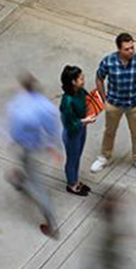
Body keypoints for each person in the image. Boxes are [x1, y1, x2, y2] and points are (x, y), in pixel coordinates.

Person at [5, 74, 62, 237]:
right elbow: (53, 130)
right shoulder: (45, 106)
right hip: (40, 148)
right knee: (33, 176)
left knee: (38, 187)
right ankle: (20, 181)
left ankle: (51, 223)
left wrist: (10, 141)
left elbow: (13, 132)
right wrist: (53, 148)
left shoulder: (18, 107)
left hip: (28, 149)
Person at [91, 32, 136, 178]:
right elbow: (99, 78)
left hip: (134, 104)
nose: (131, 51)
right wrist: (104, 98)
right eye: (127, 49)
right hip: (114, 103)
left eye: (132, 47)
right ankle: (104, 157)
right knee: (109, 131)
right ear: (119, 49)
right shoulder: (108, 61)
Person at [59, 65, 96, 196]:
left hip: (81, 129)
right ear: (73, 82)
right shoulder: (67, 101)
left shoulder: (80, 91)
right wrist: (86, 121)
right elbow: (70, 124)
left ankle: (75, 179)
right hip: (72, 133)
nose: (83, 80)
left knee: (77, 156)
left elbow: (88, 101)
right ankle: (71, 184)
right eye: (81, 79)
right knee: (72, 158)